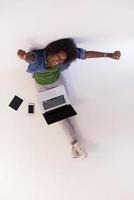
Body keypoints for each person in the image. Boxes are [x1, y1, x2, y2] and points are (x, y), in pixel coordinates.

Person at [17, 38, 121, 159]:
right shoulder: (39, 57)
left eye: (62, 60)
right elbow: (32, 58)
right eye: (58, 57)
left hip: (57, 82)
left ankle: (74, 144)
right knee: (58, 115)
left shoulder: (67, 55)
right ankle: (74, 144)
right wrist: (25, 56)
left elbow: (85, 54)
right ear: (52, 50)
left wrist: (108, 55)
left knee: (63, 112)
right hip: (42, 87)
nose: (59, 61)